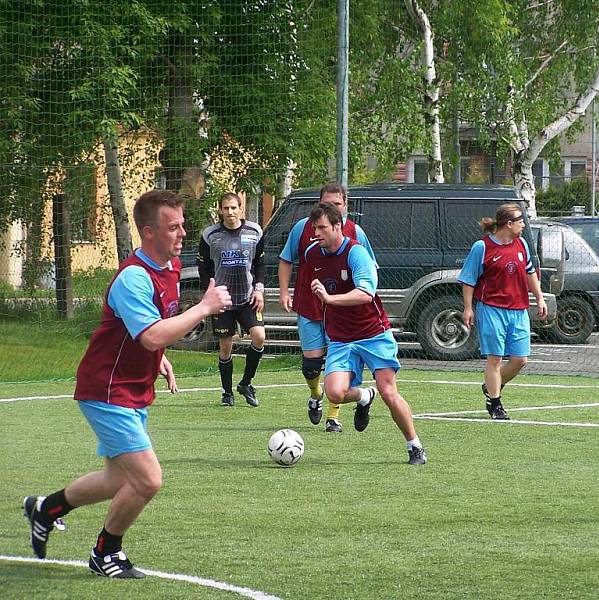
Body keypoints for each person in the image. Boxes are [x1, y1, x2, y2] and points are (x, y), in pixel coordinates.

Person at [23, 190, 232, 578]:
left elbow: (145, 333)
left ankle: (46, 508)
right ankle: (106, 553)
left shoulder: (166, 269)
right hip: (107, 390)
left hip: (130, 388)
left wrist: (160, 358)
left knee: (116, 479)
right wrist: (202, 308)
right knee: (148, 480)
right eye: (174, 227)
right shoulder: (134, 278)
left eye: (183, 224)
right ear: (149, 232)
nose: (183, 233)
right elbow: (151, 335)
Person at [306, 203, 427, 465]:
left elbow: (365, 293)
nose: (316, 232)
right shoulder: (312, 254)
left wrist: (330, 298)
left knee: (389, 392)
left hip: (373, 334)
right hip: (339, 337)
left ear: (338, 226)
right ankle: (363, 396)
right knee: (335, 393)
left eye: (322, 227)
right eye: (314, 227)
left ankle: (414, 446)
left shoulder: (356, 253)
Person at [278, 183, 376, 433]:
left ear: (345, 207)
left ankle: (334, 417)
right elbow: (286, 259)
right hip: (310, 307)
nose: (333, 208)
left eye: (337, 204)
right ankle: (315, 394)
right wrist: (284, 291)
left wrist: (360, 296)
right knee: (311, 366)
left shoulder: (356, 234)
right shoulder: (303, 229)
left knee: (340, 365)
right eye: (327, 204)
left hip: (342, 314)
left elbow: (370, 269)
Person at [458, 203, 547, 420]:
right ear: (508, 224)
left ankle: (491, 386)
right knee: (495, 359)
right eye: (520, 221)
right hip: (491, 309)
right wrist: (468, 307)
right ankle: (495, 404)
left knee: (520, 360)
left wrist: (540, 297)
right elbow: (469, 280)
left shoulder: (522, 244)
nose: (523, 225)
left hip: (518, 310)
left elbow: (530, 272)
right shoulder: (482, 247)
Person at [197, 192, 266, 407]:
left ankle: (246, 383)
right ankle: (227, 393)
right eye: (225, 208)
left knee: (259, 336)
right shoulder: (210, 235)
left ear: (241, 209)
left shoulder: (254, 232)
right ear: (220, 210)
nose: (230, 212)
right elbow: (203, 269)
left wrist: (259, 290)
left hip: (247, 298)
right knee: (225, 347)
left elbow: (260, 264)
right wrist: (209, 298)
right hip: (222, 300)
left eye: (234, 208)